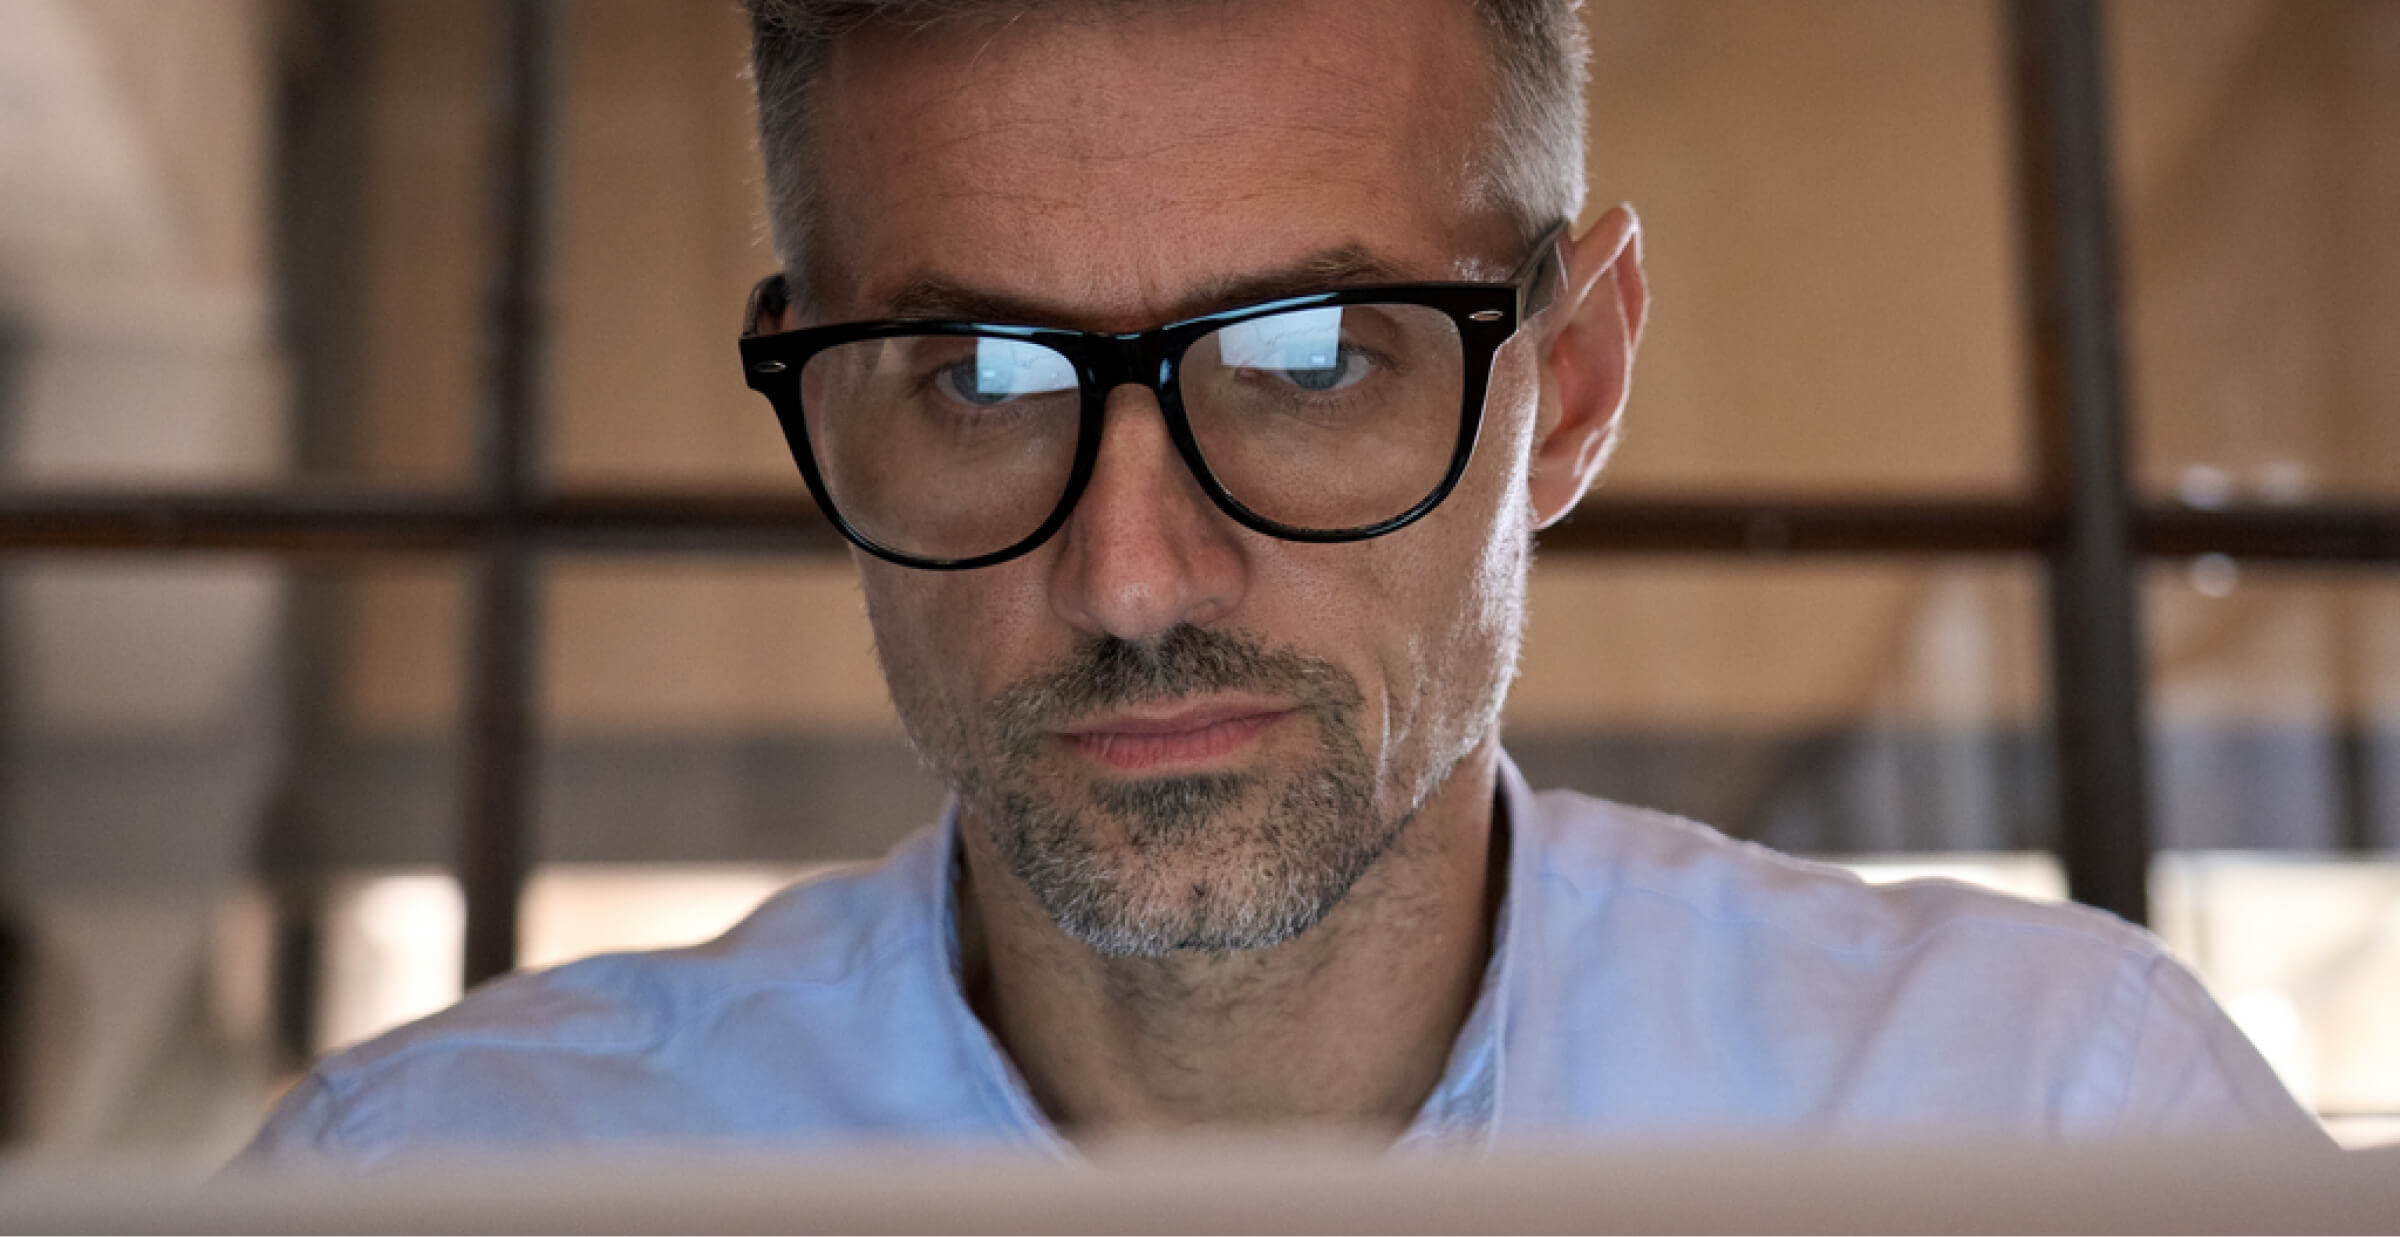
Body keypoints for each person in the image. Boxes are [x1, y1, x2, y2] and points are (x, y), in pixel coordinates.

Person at [239, 0, 2323, 1166]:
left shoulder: (2048, 1136)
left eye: (1310, 359)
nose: (1134, 571)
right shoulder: (444, 1189)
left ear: (1572, 381)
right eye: (975, 375)